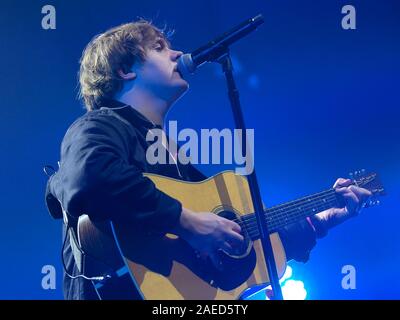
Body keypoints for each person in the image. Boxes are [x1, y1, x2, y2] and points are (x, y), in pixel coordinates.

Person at [45, 20, 371, 300]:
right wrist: (186, 221)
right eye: (159, 48)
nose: (175, 53)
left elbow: (238, 240)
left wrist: (322, 219)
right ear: (124, 70)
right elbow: (90, 178)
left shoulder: (173, 157)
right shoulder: (100, 126)